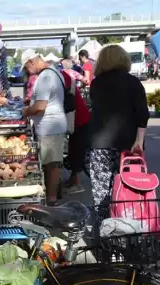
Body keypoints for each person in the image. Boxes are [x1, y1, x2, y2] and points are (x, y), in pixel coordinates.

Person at [88, 44, 149, 206]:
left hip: (100, 143)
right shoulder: (133, 82)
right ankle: (128, 221)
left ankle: (104, 224)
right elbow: (142, 114)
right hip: (128, 143)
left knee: (101, 189)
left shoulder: (96, 84)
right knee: (129, 185)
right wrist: (139, 140)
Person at [21, 50, 67, 205]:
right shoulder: (55, 72)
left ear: (31, 62)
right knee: (51, 164)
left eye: (26, 68)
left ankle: (51, 202)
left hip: (50, 128)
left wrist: (25, 112)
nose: (27, 71)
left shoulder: (46, 76)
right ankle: (52, 197)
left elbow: (41, 106)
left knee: (51, 165)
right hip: (53, 125)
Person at [61, 63, 91, 194]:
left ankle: (77, 184)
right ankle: (73, 180)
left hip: (79, 119)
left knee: (77, 150)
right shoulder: (64, 75)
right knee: (74, 149)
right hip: (77, 118)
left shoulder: (62, 77)